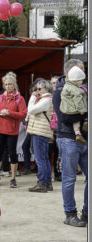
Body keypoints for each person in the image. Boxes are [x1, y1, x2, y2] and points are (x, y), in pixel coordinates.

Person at [53, 59, 88, 227]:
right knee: (69, 179)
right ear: (69, 72)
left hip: (85, 138)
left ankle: (87, 212)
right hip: (68, 138)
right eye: (79, 71)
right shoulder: (59, 91)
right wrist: (84, 116)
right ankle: (70, 213)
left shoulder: (83, 89)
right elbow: (65, 117)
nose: (82, 76)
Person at [0, 71, 27, 188]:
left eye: (10, 84)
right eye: (6, 85)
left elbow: (22, 114)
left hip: (12, 130)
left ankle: (13, 178)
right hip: (0, 129)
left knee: (12, 153)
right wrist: (1, 112)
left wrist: (9, 113)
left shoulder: (19, 99)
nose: (7, 87)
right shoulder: (1, 97)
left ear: (14, 85)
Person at [26, 79, 54, 193]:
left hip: (40, 131)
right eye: (35, 89)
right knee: (44, 158)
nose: (36, 91)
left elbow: (31, 110)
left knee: (40, 159)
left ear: (46, 89)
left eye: (39, 89)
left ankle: (42, 183)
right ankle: (47, 183)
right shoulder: (46, 99)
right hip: (42, 131)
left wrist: (32, 97)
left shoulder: (46, 100)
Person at [60, 66, 87, 144]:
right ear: (76, 80)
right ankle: (86, 122)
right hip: (74, 110)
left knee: (76, 121)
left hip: (66, 110)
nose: (82, 81)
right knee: (81, 116)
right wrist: (82, 110)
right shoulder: (75, 89)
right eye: (81, 80)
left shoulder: (66, 85)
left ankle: (77, 133)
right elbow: (78, 100)